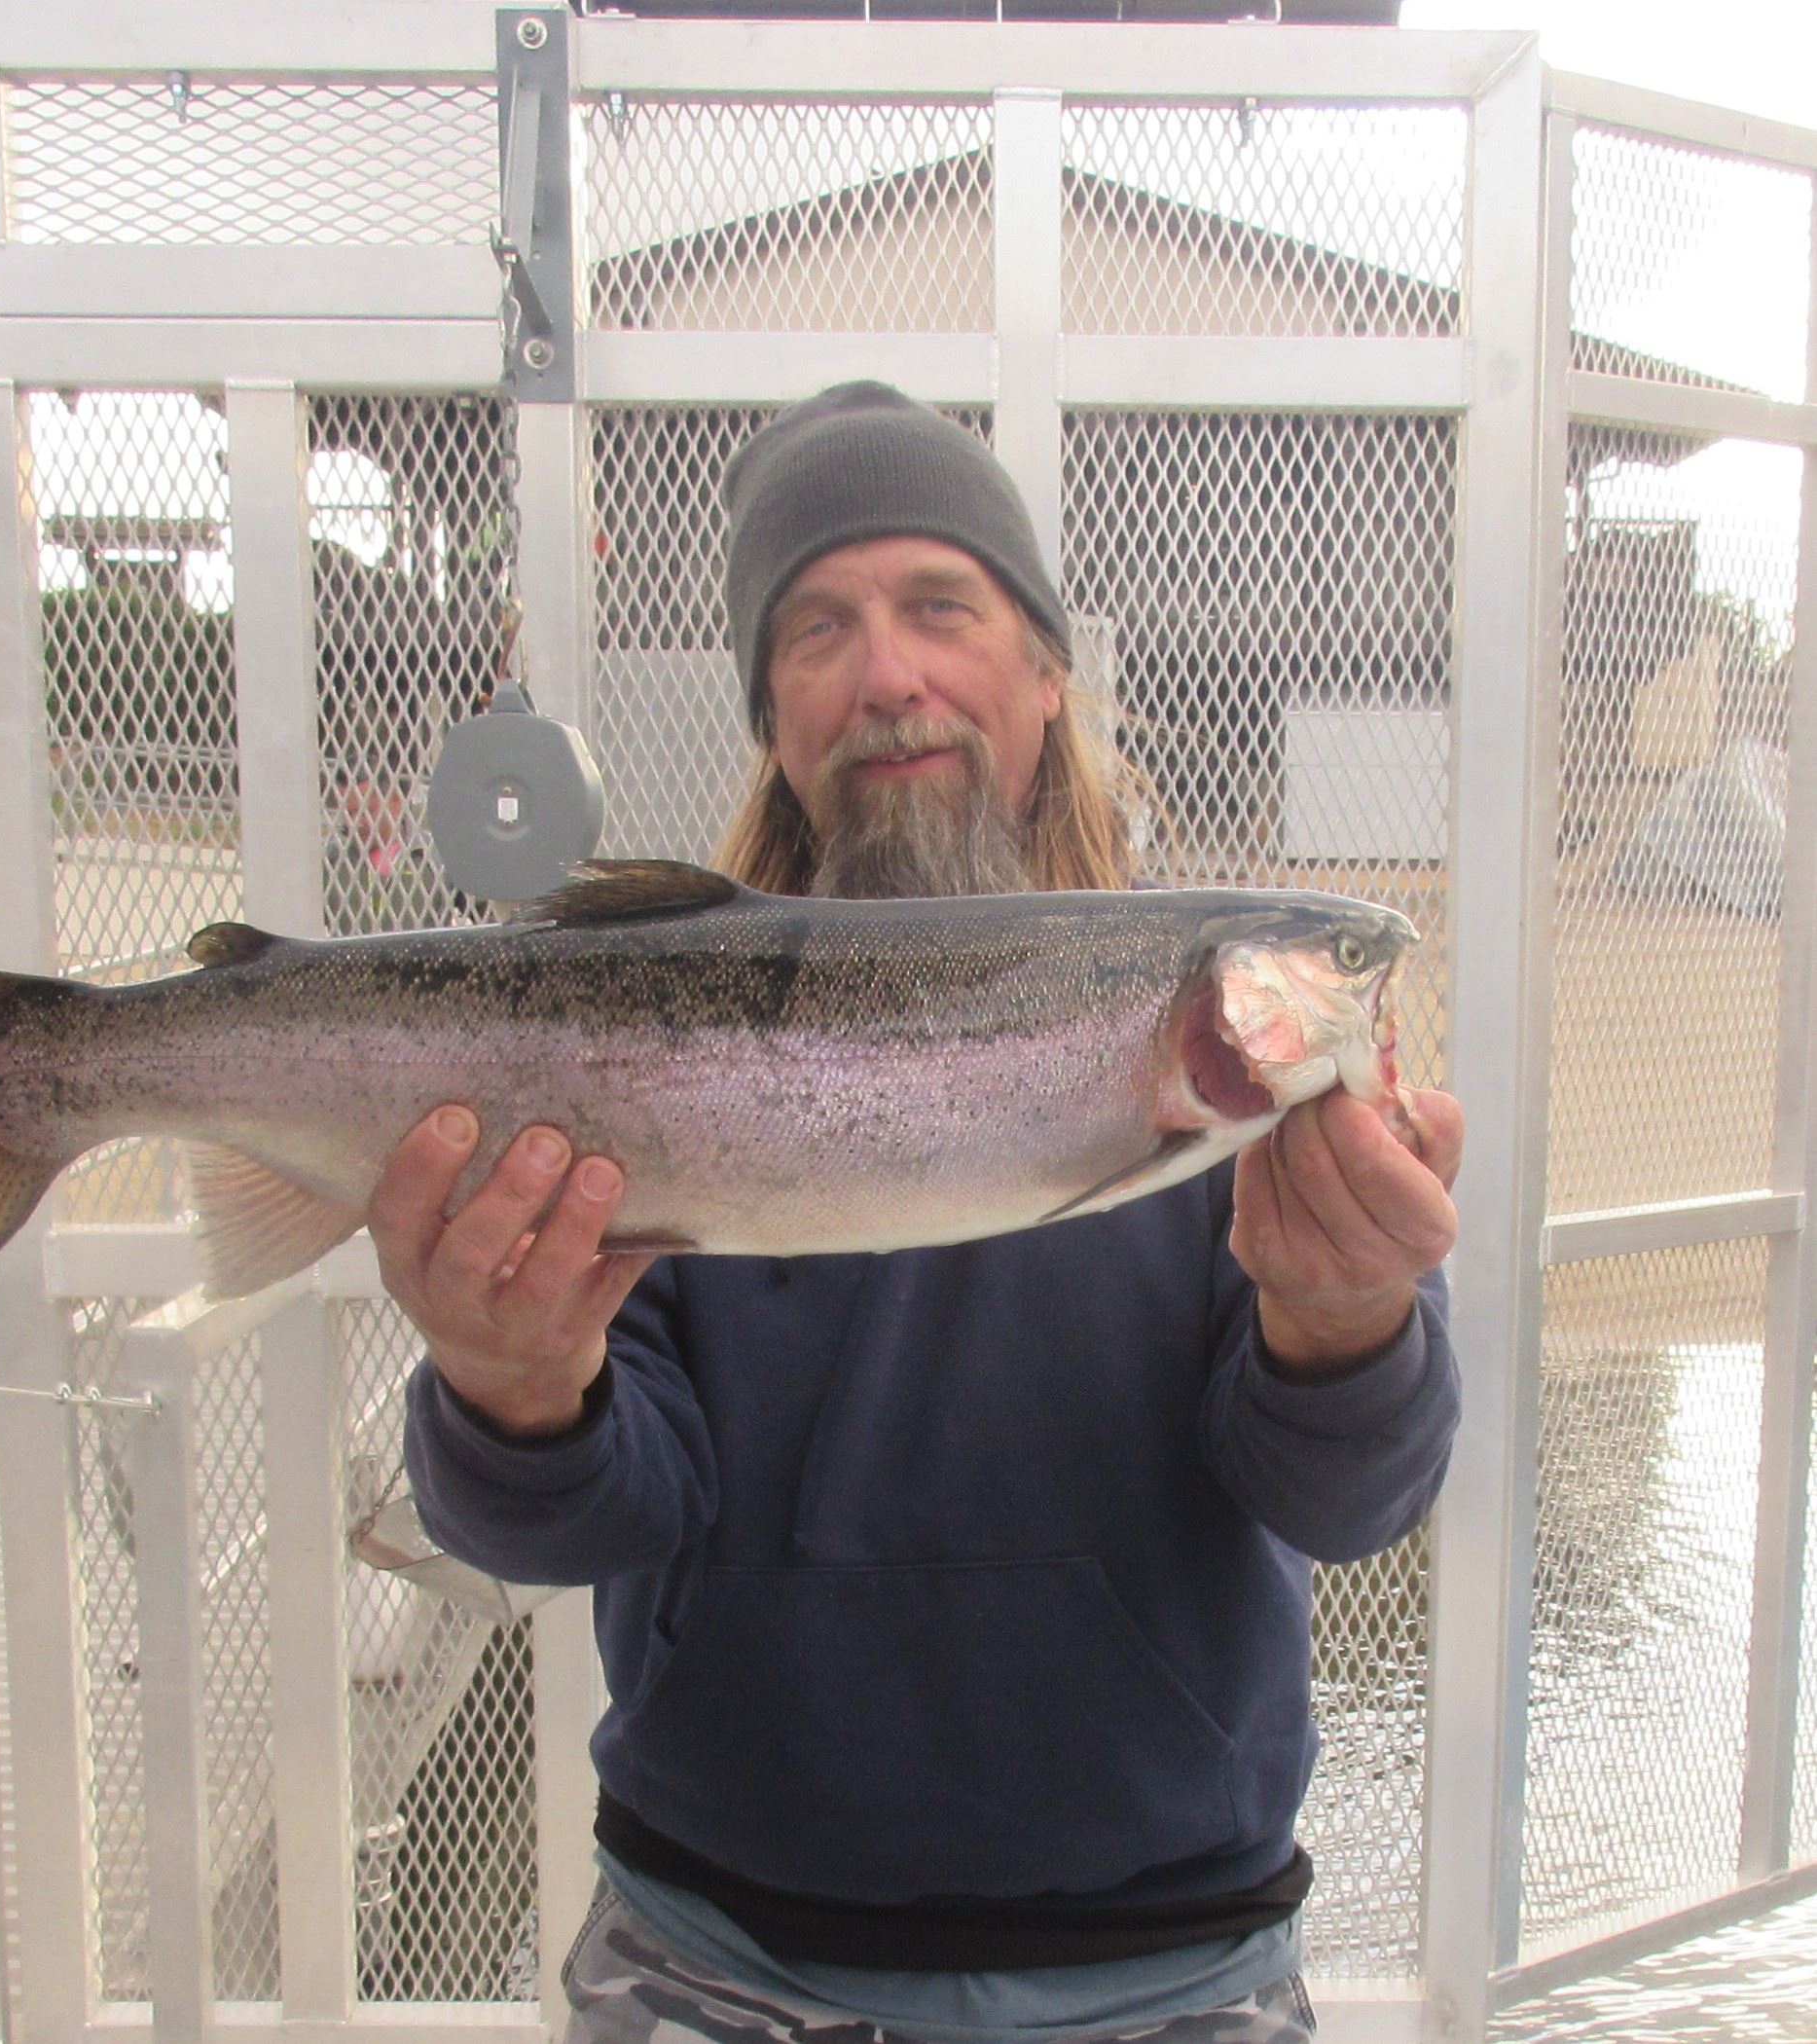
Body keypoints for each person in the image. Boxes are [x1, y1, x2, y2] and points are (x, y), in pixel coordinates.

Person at [371, 383, 1464, 2044]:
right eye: (817, 627)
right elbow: (573, 1527)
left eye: (938, 607)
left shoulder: (1231, 1070)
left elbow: (1353, 1501)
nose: (886, 674)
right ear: (772, 712)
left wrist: (1343, 1325)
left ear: (1043, 671)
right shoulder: (641, 1042)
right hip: (711, 1956)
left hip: (1173, 1968)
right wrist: (507, 1388)